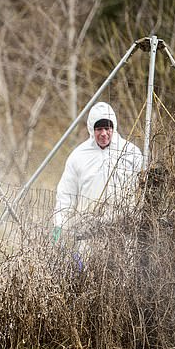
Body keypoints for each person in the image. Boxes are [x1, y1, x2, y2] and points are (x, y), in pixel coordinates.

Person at [53, 102, 143, 259]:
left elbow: (142, 191)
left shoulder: (131, 153)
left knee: (123, 276)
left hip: (124, 232)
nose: (103, 133)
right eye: (98, 129)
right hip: (88, 233)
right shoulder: (79, 156)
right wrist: (59, 225)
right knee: (88, 275)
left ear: (113, 128)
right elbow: (66, 195)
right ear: (91, 129)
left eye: (107, 128)